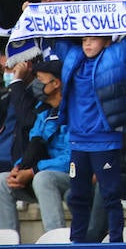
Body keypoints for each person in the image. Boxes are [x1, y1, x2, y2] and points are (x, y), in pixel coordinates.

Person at [48, 32, 126, 244]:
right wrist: (33, 13)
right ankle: (77, 242)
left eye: (93, 38)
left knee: (110, 196)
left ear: (107, 41)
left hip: (105, 141)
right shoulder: (72, 57)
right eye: (84, 39)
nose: (87, 43)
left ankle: (116, 242)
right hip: (78, 142)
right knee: (77, 197)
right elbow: (52, 35)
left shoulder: (115, 56)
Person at [0, 60, 68, 236]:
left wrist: (33, 170)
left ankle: (56, 240)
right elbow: (34, 143)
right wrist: (20, 167)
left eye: (40, 80)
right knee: (3, 180)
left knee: (42, 179)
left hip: (71, 174)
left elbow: (72, 158)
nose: (36, 85)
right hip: (43, 170)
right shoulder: (43, 110)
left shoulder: (74, 111)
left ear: (56, 84)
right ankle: (8, 241)